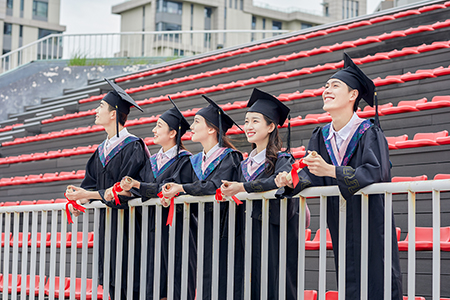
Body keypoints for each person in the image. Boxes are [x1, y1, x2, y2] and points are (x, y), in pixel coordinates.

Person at [275, 53, 403, 299]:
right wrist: (292, 180)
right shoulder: (320, 137)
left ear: (353, 95)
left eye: (335, 86)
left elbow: (376, 172)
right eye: (325, 86)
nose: (326, 90)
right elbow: (313, 175)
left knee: (377, 279)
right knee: (348, 281)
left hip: (371, 221)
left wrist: (332, 171)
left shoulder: (369, 133)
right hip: (341, 221)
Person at [220, 88, 310, 299]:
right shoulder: (244, 165)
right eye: (246, 121)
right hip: (246, 235)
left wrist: (242, 188)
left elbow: (277, 183)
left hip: (272, 238)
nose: (248, 126)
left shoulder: (283, 160)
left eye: (255, 121)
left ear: (271, 126)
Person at [66, 78, 151, 300]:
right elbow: (90, 185)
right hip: (109, 227)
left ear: (114, 113)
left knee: (131, 281)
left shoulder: (134, 146)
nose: (96, 111)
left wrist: (87, 195)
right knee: (113, 283)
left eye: (100, 107)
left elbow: (124, 191)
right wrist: (78, 200)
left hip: (132, 228)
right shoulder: (101, 150)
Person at [113, 97, 196, 300]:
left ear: (173, 133)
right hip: (152, 229)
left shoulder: (186, 161)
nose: (153, 130)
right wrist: (129, 187)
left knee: (175, 281)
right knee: (153, 284)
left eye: (159, 126)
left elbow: (168, 189)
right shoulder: (151, 162)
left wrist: (138, 185)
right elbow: (142, 188)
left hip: (177, 230)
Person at [161, 95, 243, 300]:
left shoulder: (230, 157)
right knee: (205, 280)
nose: (191, 126)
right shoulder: (194, 161)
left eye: (197, 121)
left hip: (225, 228)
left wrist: (181, 188)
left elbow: (217, 185)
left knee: (222, 280)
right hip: (201, 227)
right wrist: (168, 191)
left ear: (212, 129)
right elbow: (175, 182)